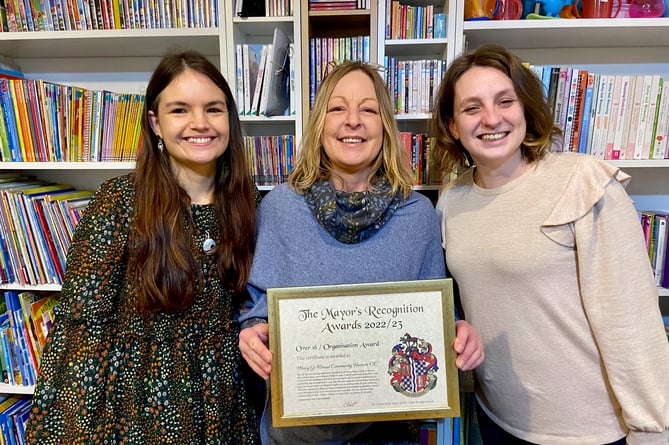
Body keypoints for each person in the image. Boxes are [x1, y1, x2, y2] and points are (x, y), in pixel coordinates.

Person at [431, 43, 669, 445]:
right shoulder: (451, 201)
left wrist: (650, 426)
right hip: (498, 415)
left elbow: (631, 318)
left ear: (525, 109)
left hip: (585, 429)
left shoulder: (583, 181)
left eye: (505, 101)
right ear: (453, 126)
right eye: (471, 108)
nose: (491, 118)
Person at [238, 60, 485, 445]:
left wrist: (455, 331)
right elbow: (257, 307)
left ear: (385, 126)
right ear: (319, 124)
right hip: (301, 433)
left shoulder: (418, 215)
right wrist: (252, 332)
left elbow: (436, 312)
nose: (352, 121)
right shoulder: (280, 208)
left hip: (389, 431)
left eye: (368, 109)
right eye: (337, 108)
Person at [25, 50, 261, 444]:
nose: (200, 123)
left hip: (229, 405)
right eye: (180, 110)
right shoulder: (119, 201)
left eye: (214, 109)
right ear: (155, 122)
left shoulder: (250, 202)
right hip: (141, 410)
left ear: (229, 119)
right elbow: (82, 326)